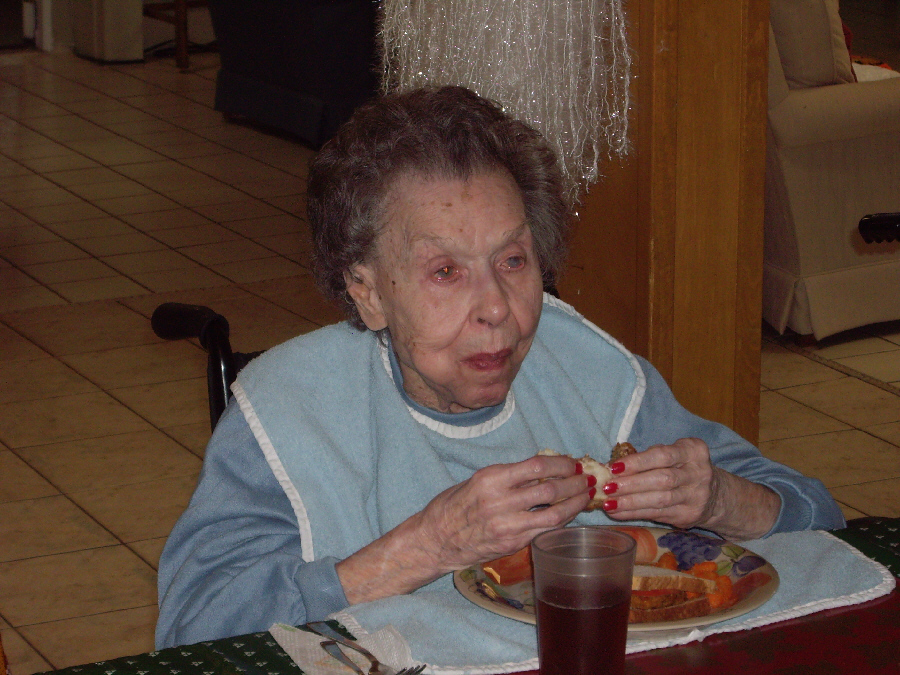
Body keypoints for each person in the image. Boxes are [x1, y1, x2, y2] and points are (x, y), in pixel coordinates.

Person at [156, 86, 845, 651]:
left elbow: (823, 520)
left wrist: (719, 499)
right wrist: (428, 545)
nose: (497, 309)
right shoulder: (288, 411)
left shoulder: (590, 371)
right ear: (368, 293)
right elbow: (194, 631)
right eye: (445, 271)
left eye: (513, 260)